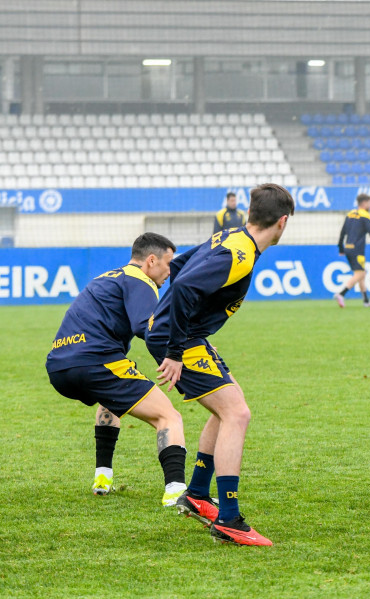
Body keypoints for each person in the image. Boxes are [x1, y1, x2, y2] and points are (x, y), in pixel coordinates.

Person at [146, 183, 294, 546]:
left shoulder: (230, 235)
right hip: (180, 339)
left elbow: (178, 266)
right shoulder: (239, 254)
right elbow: (183, 287)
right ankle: (229, 518)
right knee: (236, 414)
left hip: (183, 334)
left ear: (248, 213)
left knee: (227, 405)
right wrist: (174, 348)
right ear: (283, 222)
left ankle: (197, 494)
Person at [45, 233, 187, 505]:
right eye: (168, 264)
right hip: (96, 362)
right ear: (151, 260)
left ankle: (103, 476)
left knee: (110, 400)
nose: (170, 272)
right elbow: (147, 327)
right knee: (169, 417)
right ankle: (176, 490)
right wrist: (177, 353)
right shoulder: (141, 279)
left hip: (59, 366)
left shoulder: (104, 277)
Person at [333, 193, 370, 308]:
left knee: (361, 274)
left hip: (348, 248)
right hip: (358, 250)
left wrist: (340, 248)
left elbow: (342, 233)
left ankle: (366, 301)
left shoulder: (350, 214)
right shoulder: (365, 215)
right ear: (364, 203)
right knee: (361, 273)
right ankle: (341, 294)